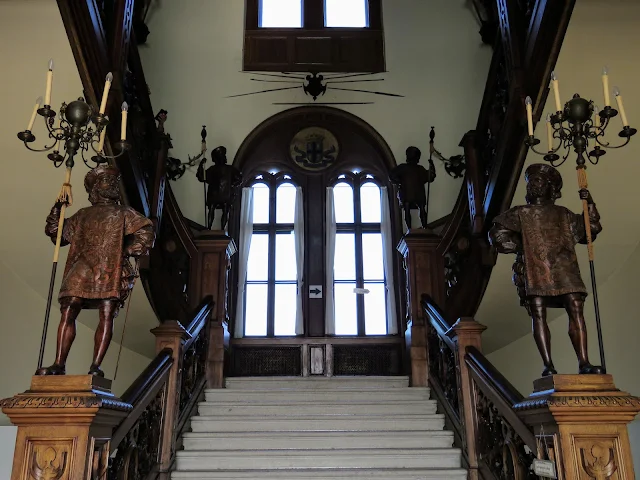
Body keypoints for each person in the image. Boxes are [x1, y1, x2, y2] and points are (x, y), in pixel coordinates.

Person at [37, 165, 155, 377]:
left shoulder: (124, 213)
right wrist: (57, 207)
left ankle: (95, 366)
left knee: (107, 311)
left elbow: (146, 232)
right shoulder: (83, 215)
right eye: (106, 181)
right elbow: (57, 234)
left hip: (110, 267)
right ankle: (58, 363)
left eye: (113, 181)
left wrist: (127, 250)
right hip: (82, 266)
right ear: (95, 188)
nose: (112, 185)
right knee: (69, 308)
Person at [489, 163, 603, 377]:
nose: (533, 186)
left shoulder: (564, 214)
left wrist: (589, 202)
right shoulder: (520, 213)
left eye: (538, 181)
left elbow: (591, 229)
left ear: (551, 187)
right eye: (531, 182)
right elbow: (498, 236)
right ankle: (548, 364)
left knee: (575, 308)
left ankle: (584, 362)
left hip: (565, 267)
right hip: (534, 269)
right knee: (538, 312)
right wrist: (523, 246)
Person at [389, 146, 436, 229]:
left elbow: (430, 176)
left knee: (414, 208)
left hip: (410, 192)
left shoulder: (406, 168)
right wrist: (399, 182)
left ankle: (415, 228)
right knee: (416, 208)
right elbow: (430, 176)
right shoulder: (416, 169)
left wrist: (432, 167)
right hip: (414, 192)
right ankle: (419, 227)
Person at [197, 146, 242, 230]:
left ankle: (218, 229)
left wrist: (232, 185)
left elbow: (239, 179)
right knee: (215, 209)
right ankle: (212, 228)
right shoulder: (217, 169)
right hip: (220, 193)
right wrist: (201, 165)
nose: (224, 157)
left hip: (220, 193)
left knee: (220, 210)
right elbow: (202, 177)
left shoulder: (228, 169)